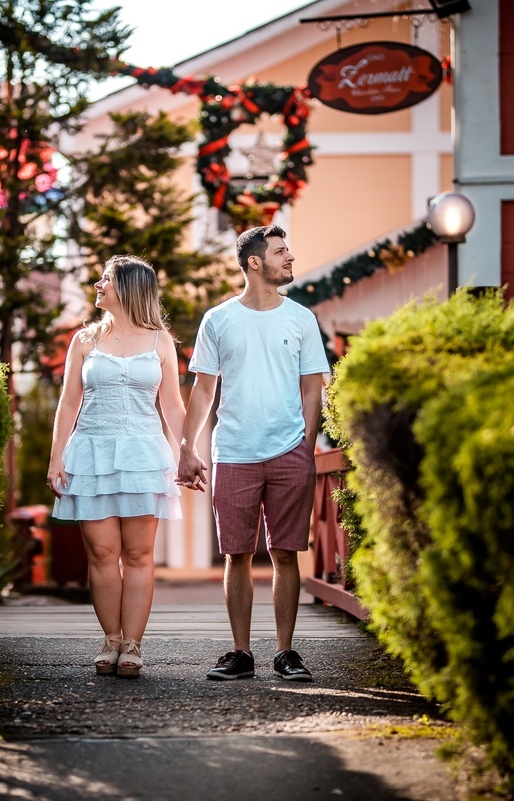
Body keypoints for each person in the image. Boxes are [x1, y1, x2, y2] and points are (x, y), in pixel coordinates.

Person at [176, 224, 330, 682]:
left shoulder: (300, 318)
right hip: (234, 452)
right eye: (282, 252)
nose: (291, 258)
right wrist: (188, 446)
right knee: (236, 555)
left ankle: (285, 653)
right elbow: (203, 391)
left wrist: (304, 443)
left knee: (286, 553)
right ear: (255, 263)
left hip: (289, 451)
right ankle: (241, 653)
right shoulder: (218, 320)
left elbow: (312, 388)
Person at [48, 255, 186, 678]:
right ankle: (110, 639)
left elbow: (173, 406)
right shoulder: (84, 340)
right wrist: (56, 457)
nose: (98, 284)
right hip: (89, 454)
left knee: (139, 554)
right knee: (103, 553)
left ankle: (133, 645)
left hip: (145, 455)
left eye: (106, 278)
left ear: (128, 287)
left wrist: (186, 453)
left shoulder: (160, 340)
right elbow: (69, 401)